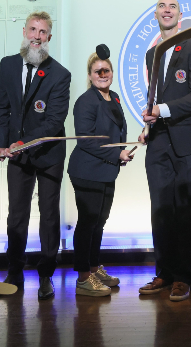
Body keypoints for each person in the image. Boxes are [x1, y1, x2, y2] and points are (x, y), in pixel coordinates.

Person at [0, 11, 71, 300]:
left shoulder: (60, 74)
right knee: (17, 215)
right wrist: (1, 144)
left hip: (48, 154)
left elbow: (53, 122)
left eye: (43, 32)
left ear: (49, 37)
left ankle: (46, 274)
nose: (37, 36)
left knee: (48, 215)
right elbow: (1, 108)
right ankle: (14, 271)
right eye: (33, 30)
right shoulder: (8, 65)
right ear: (24, 32)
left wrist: (21, 143)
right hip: (17, 155)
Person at [137, 0, 191, 302]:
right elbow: (154, 98)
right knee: (161, 211)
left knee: (185, 212)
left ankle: (183, 277)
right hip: (158, 143)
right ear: (155, 15)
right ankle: (164, 273)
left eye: (172, 7)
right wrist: (147, 125)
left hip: (187, 142)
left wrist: (162, 110)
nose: (167, 10)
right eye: (161, 6)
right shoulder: (151, 54)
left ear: (179, 16)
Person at [68, 50, 134, 297]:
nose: (103, 74)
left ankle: (94, 269)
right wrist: (117, 154)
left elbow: (116, 132)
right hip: (87, 171)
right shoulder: (86, 101)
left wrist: (121, 152)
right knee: (88, 224)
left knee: (99, 223)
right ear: (90, 75)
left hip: (106, 170)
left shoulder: (113, 97)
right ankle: (83, 278)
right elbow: (86, 140)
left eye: (107, 70)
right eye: (98, 71)